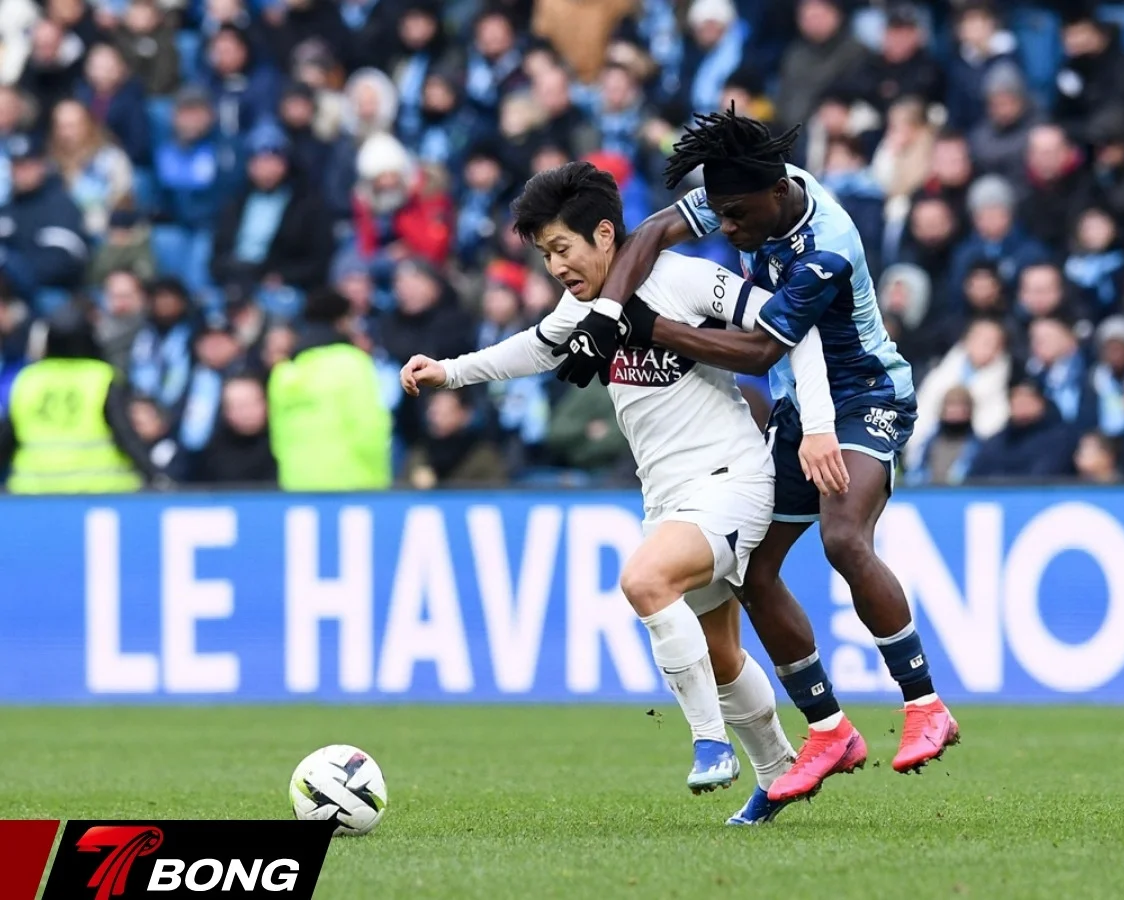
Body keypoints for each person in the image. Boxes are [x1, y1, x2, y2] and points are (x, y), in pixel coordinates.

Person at [400, 161, 837, 825]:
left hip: (732, 479)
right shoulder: (582, 311)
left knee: (644, 580)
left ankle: (709, 742)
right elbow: (533, 348)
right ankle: (778, 772)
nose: (555, 267)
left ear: (605, 234)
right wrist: (449, 373)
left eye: (561, 249)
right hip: (667, 498)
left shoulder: (685, 278)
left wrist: (820, 427)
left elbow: (788, 327)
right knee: (719, 653)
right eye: (545, 255)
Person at [549, 107, 959, 802]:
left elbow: (763, 348)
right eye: (722, 216)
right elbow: (653, 231)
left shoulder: (823, 246)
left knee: (842, 538)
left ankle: (924, 705)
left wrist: (650, 325)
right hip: (803, 409)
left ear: (776, 198)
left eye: (737, 219)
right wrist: (606, 317)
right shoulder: (752, 190)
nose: (728, 231)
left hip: (866, 398)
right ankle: (828, 728)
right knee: (754, 572)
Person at [0, 302, 157, 492]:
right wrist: (156, 477)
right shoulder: (101, 377)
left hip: (34, 492)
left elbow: (6, 438)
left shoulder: (27, 379)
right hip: (101, 492)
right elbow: (126, 435)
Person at [267, 288, 391, 491]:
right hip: (355, 486)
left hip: (297, 486)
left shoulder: (284, 373)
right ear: (342, 322)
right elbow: (370, 427)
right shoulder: (353, 363)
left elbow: (278, 442)